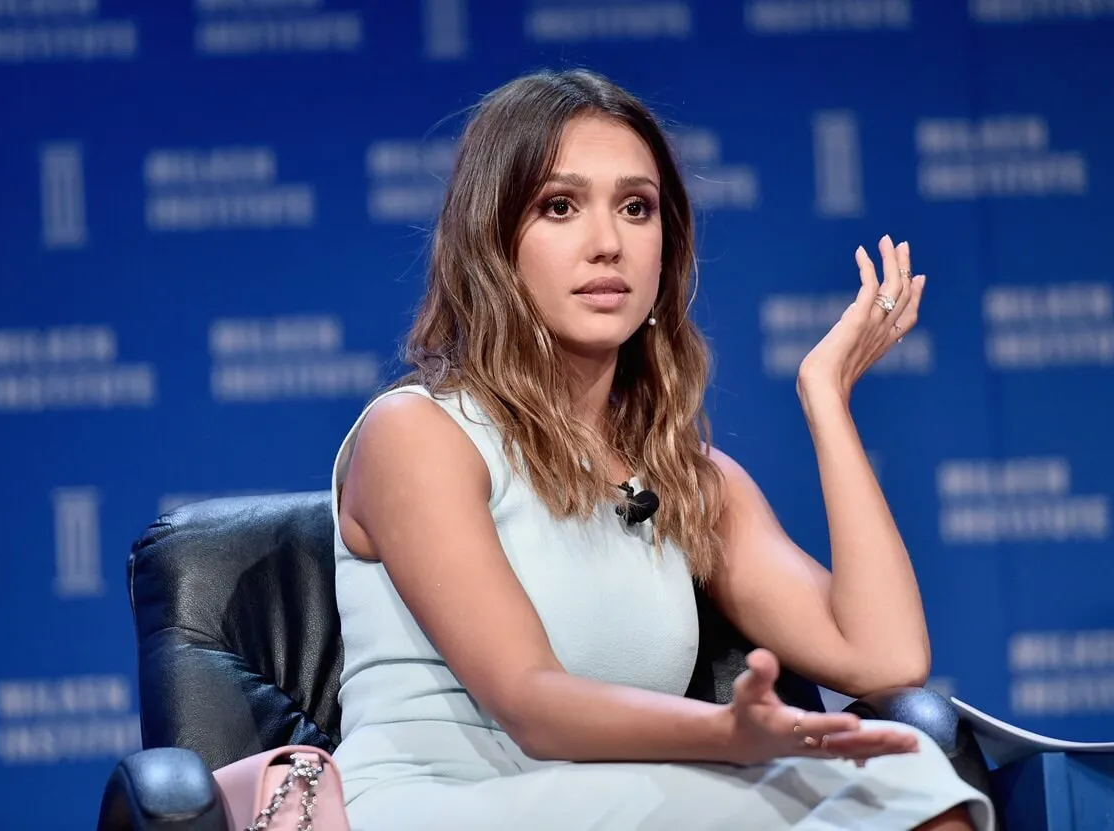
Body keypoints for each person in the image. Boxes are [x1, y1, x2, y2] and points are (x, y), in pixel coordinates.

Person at [329, 68, 994, 830]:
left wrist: (827, 396)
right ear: (493, 242)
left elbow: (883, 656)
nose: (607, 243)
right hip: (447, 801)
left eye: (636, 208)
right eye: (560, 206)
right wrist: (726, 736)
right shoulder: (416, 433)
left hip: (620, 799)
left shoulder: (686, 477)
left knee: (915, 789)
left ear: (664, 248)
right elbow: (529, 700)